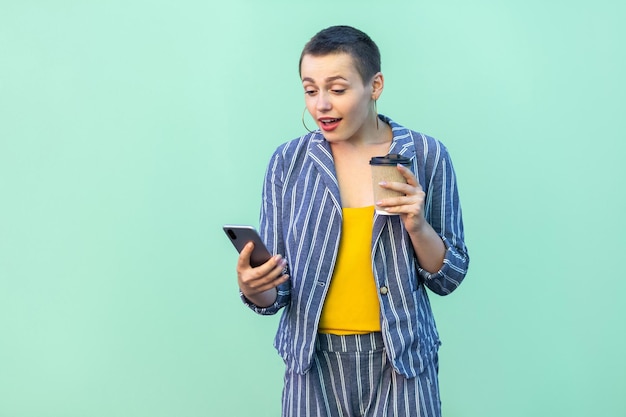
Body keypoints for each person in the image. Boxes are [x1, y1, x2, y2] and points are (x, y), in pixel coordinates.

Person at [235, 25, 469, 417]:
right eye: (311, 90)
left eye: (338, 89)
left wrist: (417, 227)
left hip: (401, 360)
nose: (321, 104)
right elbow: (277, 294)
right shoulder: (288, 163)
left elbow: (449, 277)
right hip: (313, 364)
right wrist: (253, 285)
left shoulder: (425, 155)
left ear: (374, 85)